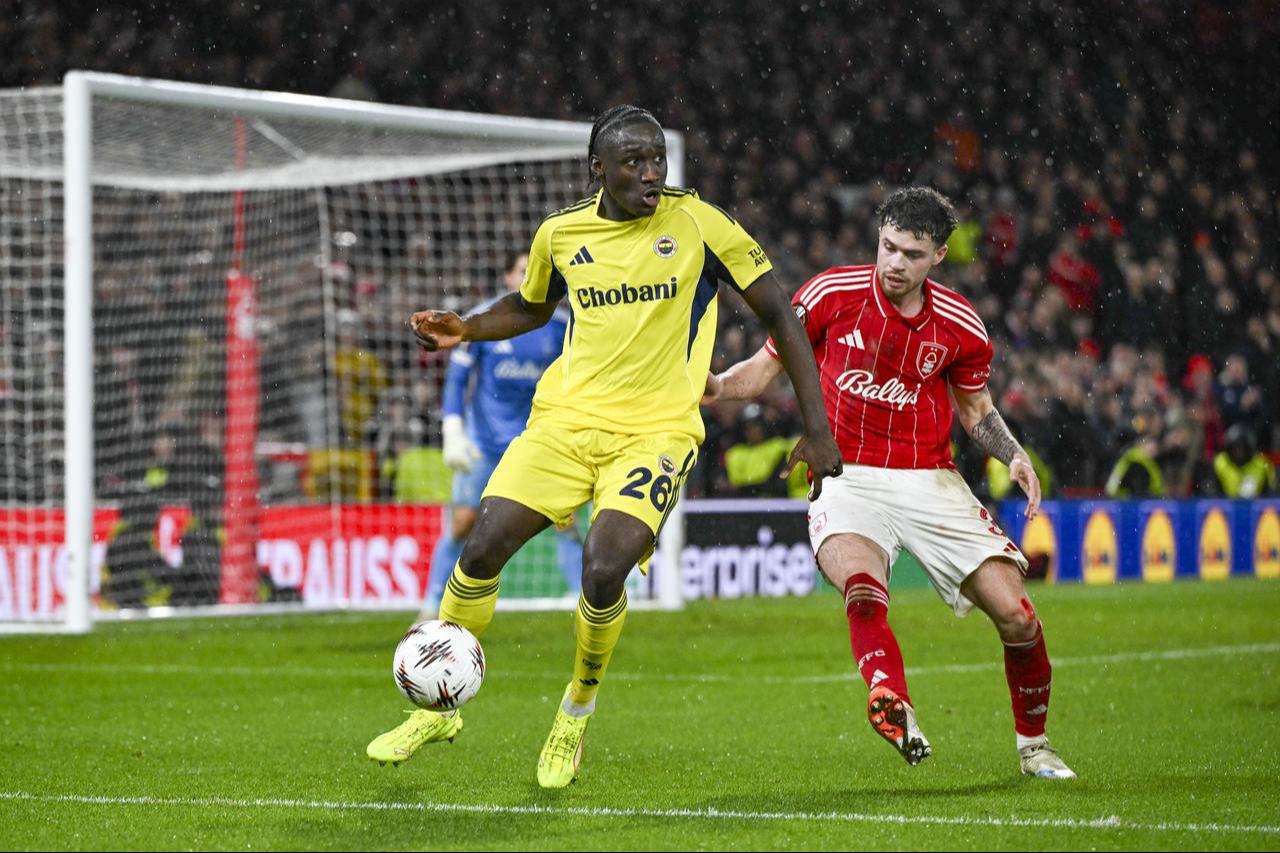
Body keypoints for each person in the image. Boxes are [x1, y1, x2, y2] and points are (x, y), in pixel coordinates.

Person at [366, 105, 842, 787]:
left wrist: (816, 427)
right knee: (481, 546)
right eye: (633, 162)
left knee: (602, 568)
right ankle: (441, 708)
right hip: (564, 421)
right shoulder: (562, 233)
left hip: (656, 431)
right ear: (599, 169)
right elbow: (531, 306)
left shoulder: (700, 223)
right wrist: (465, 329)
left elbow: (781, 315)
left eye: (657, 159)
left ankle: (575, 711)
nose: (651, 173)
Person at [703, 187, 1075, 779]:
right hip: (846, 475)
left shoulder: (960, 326)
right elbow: (764, 368)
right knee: (861, 583)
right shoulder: (831, 294)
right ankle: (890, 697)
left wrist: (1014, 456)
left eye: (911, 253)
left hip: (930, 480)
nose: (894, 263)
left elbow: (976, 411)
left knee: (1018, 617)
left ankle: (1035, 747)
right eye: (887, 247)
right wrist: (716, 387)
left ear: (939, 256)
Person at [419, 252, 583, 618]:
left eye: (534, 272)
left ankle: (581, 598)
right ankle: (432, 604)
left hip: (538, 443)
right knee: (463, 523)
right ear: (508, 278)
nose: (528, 277)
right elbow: (458, 378)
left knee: (566, 520)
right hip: (484, 443)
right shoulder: (482, 321)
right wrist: (453, 430)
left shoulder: (562, 325)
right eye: (522, 272)